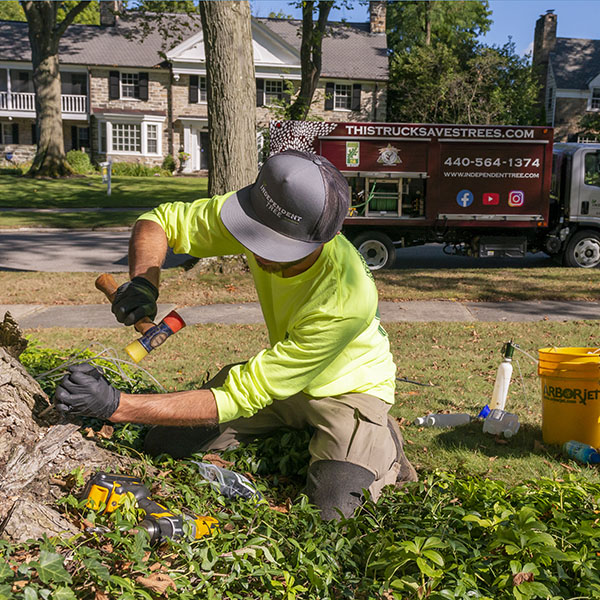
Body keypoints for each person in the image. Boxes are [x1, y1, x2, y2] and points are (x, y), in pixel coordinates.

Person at [55, 149, 417, 520]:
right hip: (282, 380)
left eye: (272, 245)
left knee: (332, 512)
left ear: (317, 241)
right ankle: (297, 428)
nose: (257, 249)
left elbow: (241, 394)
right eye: (254, 234)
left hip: (348, 391)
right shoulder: (261, 210)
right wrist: (144, 283)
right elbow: (160, 221)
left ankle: (382, 440)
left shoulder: (346, 299)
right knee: (162, 441)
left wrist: (117, 406)